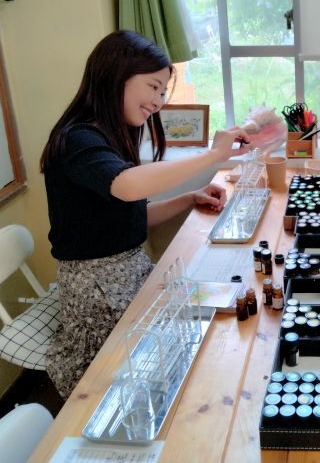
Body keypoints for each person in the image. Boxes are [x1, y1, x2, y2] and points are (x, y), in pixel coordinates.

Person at [40, 30, 250, 398]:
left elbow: (130, 215)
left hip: (130, 274)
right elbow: (127, 186)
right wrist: (215, 155)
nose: (158, 101)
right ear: (116, 75)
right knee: (145, 380)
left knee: (217, 316)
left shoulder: (110, 133)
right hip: (98, 293)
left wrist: (188, 198)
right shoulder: (78, 138)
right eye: (153, 87)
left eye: (163, 92)